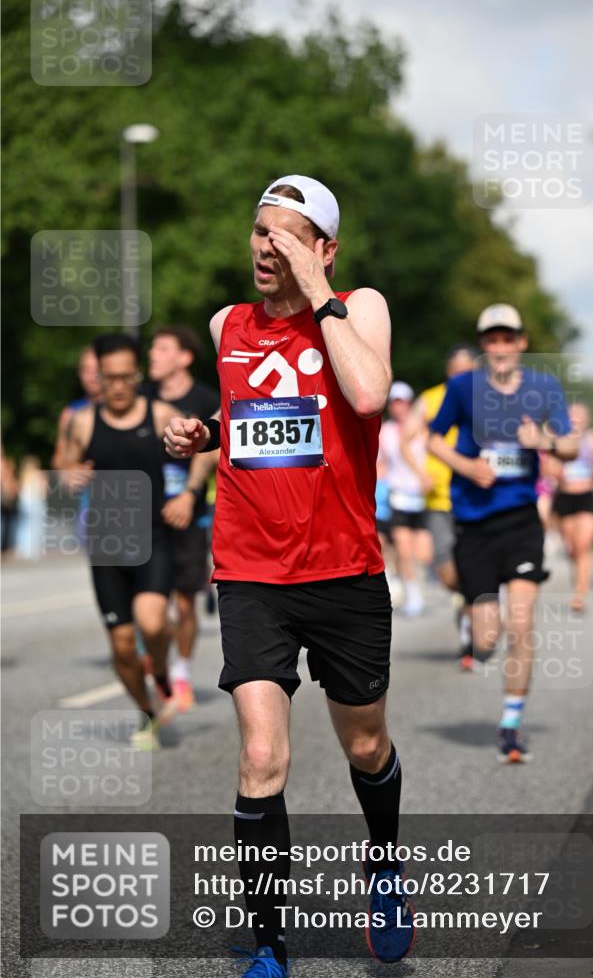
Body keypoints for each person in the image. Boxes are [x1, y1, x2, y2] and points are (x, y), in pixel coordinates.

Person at [165, 174, 414, 974]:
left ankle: (382, 864)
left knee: (365, 743)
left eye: (283, 234)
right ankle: (269, 940)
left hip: (343, 570)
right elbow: (255, 416)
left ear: (324, 249)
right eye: (257, 230)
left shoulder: (360, 307)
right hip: (251, 572)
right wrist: (201, 433)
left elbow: (366, 395)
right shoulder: (224, 324)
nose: (263, 246)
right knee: (260, 758)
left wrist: (322, 296)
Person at [427, 304, 578, 764]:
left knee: (521, 624)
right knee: (488, 636)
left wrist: (546, 443)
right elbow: (433, 438)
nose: (499, 347)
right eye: (490, 339)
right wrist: (466, 465)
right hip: (473, 522)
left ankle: (511, 725)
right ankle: (469, 618)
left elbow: (571, 444)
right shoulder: (462, 387)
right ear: (483, 345)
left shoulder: (542, 387)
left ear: (521, 343)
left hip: (520, 521)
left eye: (507, 338)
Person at [62, 333, 210, 751]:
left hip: (152, 538)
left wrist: (188, 494)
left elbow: (203, 450)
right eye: (110, 378)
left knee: (152, 623)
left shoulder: (160, 411)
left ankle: (162, 675)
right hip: (107, 545)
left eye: (127, 377)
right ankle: (146, 711)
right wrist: (70, 475)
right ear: (99, 379)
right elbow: (63, 461)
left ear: (136, 376)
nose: (119, 386)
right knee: (123, 646)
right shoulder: (84, 421)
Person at [147, 325, 219, 710]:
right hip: (145, 514)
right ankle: (155, 654)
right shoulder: (143, 398)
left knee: (185, 602)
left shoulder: (207, 398)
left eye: (161, 349)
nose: (152, 355)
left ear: (184, 358)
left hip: (188, 513)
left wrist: (190, 495)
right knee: (148, 607)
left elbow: (209, 451)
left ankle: (183, 673)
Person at [400, 345, 478, 661]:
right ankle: (473, 598)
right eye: (456, 370)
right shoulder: (431, 399)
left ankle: (471, 632)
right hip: (438, 499)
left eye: (468, 370)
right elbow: (406, 439)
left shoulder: (488, 398)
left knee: (474, 565)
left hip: (474, 496)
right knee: (446, 571)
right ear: (448, 371)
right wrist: (419, 472)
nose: (461, 375)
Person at [378, 381, 432, 617]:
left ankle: (413, 585)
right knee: (403, 548)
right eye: (394, 402)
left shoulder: (424, 429)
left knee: (425, 554)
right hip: (398, 494)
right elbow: (381, 464)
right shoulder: (385, 431)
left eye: (403, 402)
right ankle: (413, 596)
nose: (398, 407)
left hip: (425, 496)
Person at [550, 403, 593, 611]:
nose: (576, 419)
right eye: (572, 416)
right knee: (572, 547)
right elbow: (547, 466)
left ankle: (580, 593)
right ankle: (577, 577)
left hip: (586, 496)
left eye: (580, 415)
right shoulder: (558, 440)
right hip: (564, 497)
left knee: (583, 544)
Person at [51, 346, 101, 469]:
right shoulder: (70, 413)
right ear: (79, 374)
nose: (92, 376)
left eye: (97, 369)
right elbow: (58, 460)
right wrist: (71, 469)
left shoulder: (122, 409)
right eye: (86, 370)